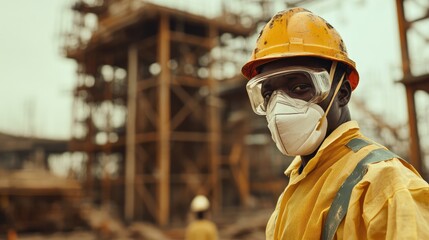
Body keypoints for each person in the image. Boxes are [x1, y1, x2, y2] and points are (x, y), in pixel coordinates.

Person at [241, 7, 429, 240]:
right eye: (268, 95)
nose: (279, 108)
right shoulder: (290, 196)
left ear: (342, 93)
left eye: (299, 87)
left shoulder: (386, 187)